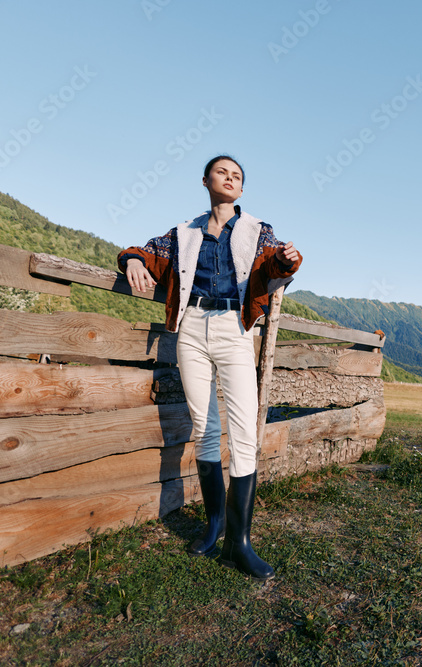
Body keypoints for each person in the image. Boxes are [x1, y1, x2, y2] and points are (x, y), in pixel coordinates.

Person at [118, 155, 301, 582]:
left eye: (237, 175)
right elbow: (144, 253)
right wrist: (132, 262)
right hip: (191, 327)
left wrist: (288, 260)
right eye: (223, 172)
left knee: (241, 429)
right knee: (204, 426)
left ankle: (240, 542)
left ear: (241, 188)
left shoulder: (258, 230)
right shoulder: (182, 233)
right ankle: (214, 524)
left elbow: (273, 264)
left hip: (234, 327)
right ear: (205, 180)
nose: (231, 178)